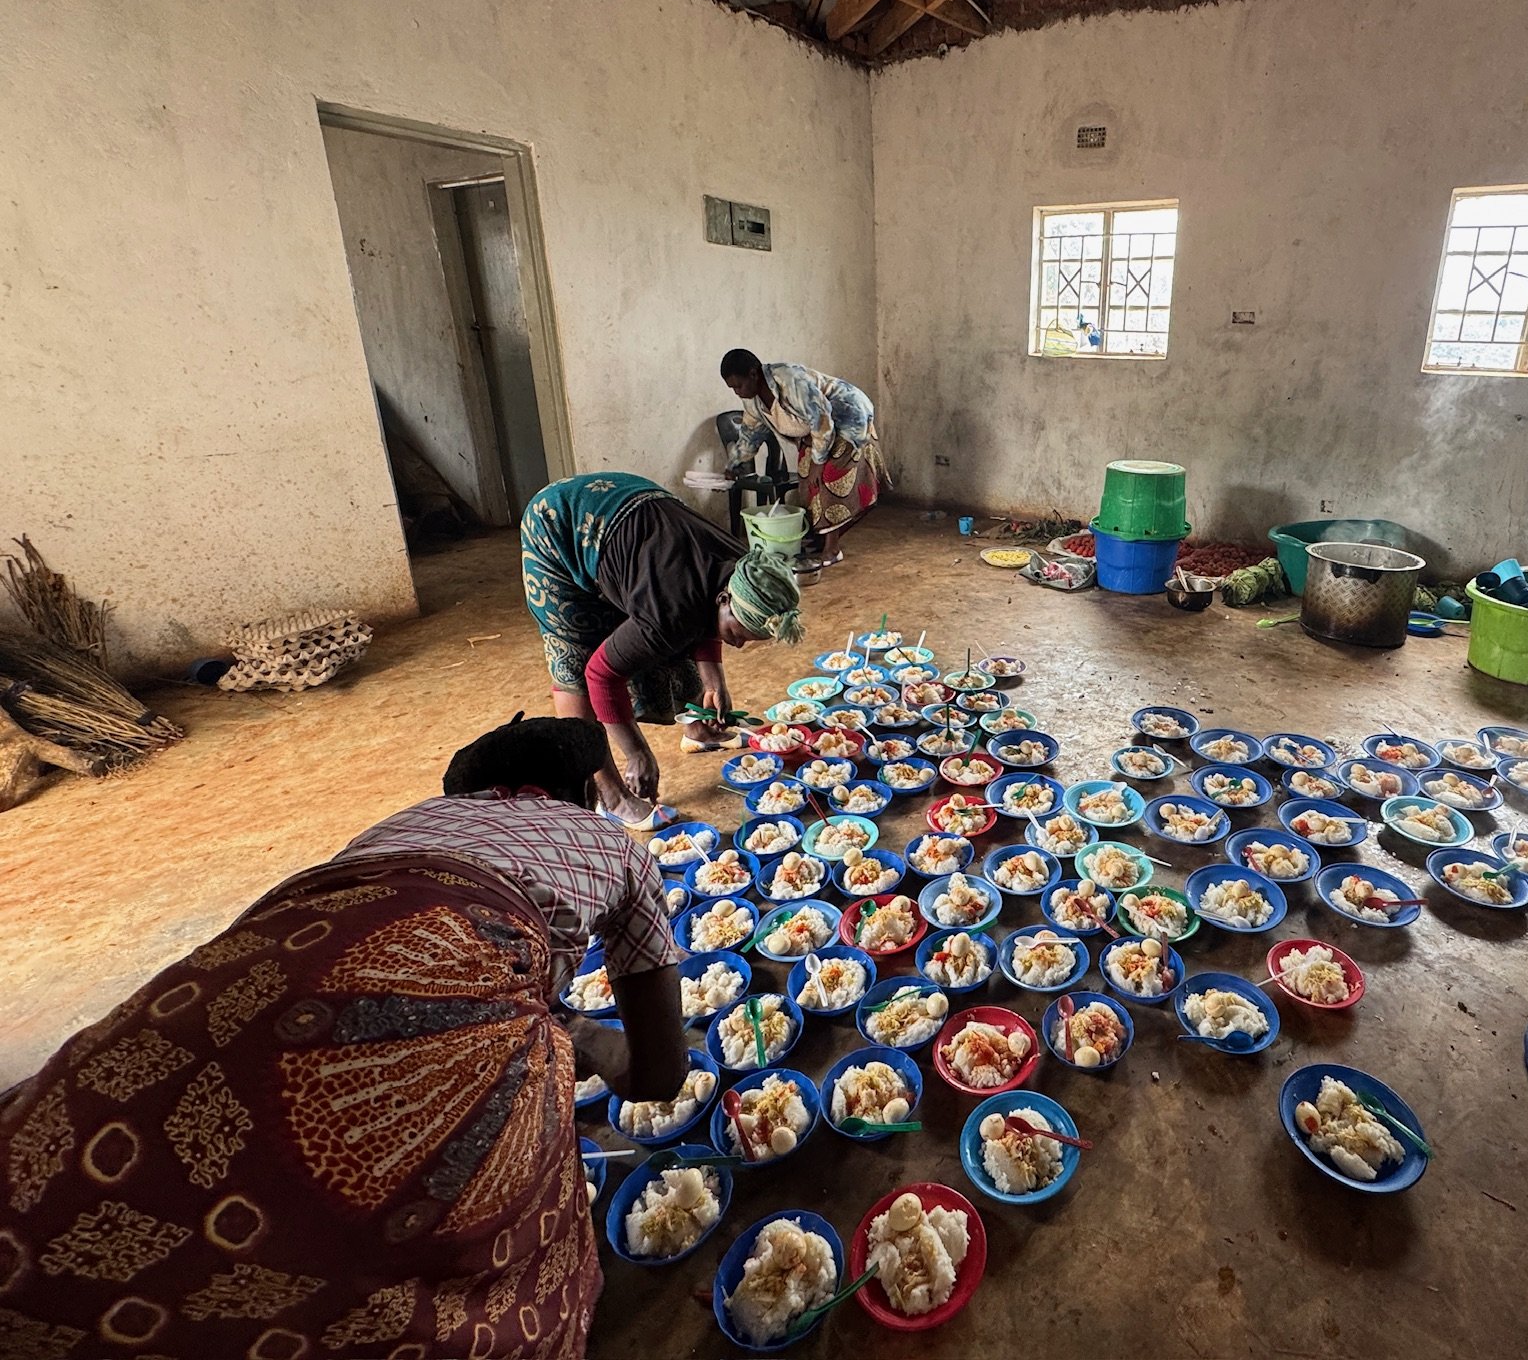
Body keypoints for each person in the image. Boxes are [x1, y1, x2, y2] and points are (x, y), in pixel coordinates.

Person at [0, 715, 683, 1359]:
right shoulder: (608, 847)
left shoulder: (397, 828)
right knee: (505, 1268)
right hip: (427, 999)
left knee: (86, 1183)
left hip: (224, 985)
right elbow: (658, 1076)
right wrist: (580, 1034)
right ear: (578, 795)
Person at [521, 471, 804, 829]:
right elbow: (601, 675)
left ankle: (698, 732)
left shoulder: (743, 568)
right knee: (577, 662)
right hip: (558, 525)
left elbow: (702, 603)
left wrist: (714, 682)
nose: (740, 644)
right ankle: (610, 795)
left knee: (670, 630)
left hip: (629, 514)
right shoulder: (669, 611)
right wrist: (636, 752)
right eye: (739, 633)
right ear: (725, 600)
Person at [720, 348, 889, 571]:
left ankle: (832, 548)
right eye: (732, 389)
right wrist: (733, 465)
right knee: (807, 483)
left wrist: (819, 461)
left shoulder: (790, 379)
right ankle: (823, 537)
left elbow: (821, 418)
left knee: (829, 478)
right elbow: (751, 434)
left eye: (739, 386)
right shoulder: (753, 401)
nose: (737, 393)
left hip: (846, 419)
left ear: (753, 374)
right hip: (817, 432)